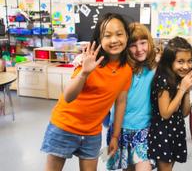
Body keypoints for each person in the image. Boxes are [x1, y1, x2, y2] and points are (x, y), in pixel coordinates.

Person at [40, 13, 133, 171]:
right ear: (99, 39)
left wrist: (115, 136)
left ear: (126, 36)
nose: (114, 40)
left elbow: (121, 102)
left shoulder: (126, 70)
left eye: (119, 34)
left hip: (92, 133)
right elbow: (68, 97)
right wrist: (84, 73)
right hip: (64, 126)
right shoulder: (88, 60)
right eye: (107, 35)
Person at [106, 22, 157, 171]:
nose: (139, 49)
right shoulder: (122, 69)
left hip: (144, 130)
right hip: (121, 129)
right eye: (133, 45)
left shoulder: (154, 67)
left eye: (143, 43)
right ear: (126, 47)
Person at [148, 36, 192, 171]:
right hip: (162, 133)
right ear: (170, 62)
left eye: (189, 61)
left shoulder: (178, 78)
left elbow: (184, 113)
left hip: (176, 130)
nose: (186, 66)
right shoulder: (163, 80)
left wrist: (187, 91)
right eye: (180, 61)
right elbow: (165, 113)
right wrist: (182, 89)